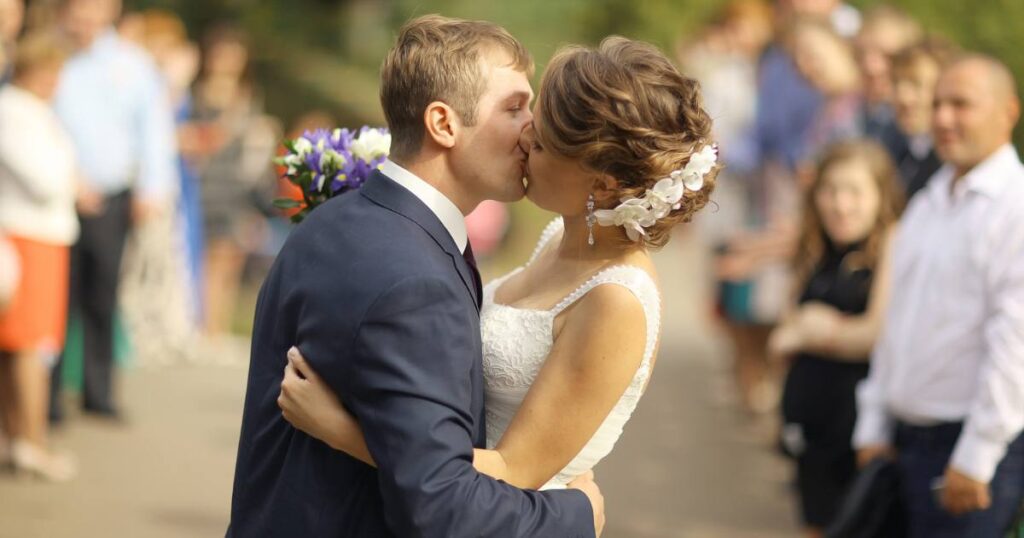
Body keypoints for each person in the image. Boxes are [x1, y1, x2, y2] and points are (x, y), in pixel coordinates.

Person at [274, 26, 717, 526]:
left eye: (544, 141)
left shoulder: (615, 301)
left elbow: (512, 468)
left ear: (602, 183)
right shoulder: (556, 237)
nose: (526, 137)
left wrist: (343, 430)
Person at [227, 16, 616, 537]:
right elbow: (441, 507)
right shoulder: (416, 286)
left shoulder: (332, 219)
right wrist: (574, 517)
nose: (534, 127)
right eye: (514, 107)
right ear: (444, 124)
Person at [854, 54, 1024, 538]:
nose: (943, 118)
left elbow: (1015, 346)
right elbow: (898, 322)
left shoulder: (1016, 209)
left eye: (961, 105)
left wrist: (977, 457)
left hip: (970, 450)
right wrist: (874, 423)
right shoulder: (929, 202)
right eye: (937, 105)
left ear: (1008, 112)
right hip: (905, 443)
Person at [50, 0, 178, 420]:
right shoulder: (51, 56)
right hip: (55, 194)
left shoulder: (132, 64)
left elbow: (152, 130)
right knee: (57, 299)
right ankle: (47, 398)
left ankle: (98, 391)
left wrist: (152, 188)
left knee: (103, 295)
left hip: (113, 196)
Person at [768, 140, 904, 536]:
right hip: (812, 432)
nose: (840, 204)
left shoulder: (893, 245)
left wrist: (815, 329)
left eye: (855, 192)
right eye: (830, 191)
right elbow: (783, 330)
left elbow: (875, 335)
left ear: (881, 196)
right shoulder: (817, 246)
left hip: (858, 433)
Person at [0, 31, 79, 481]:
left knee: (24, 345)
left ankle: (18, 437)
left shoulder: (32, 111)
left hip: (41, 235)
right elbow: (45, 179)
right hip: (29, 235)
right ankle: (30, 440)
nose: (55, 81)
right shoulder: (14, 110)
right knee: (30, 346)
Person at [889, 39, 957, 200]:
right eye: (896, 83)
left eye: (916, 84)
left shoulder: (955, 166)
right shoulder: (901, 154)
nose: (902, 97)